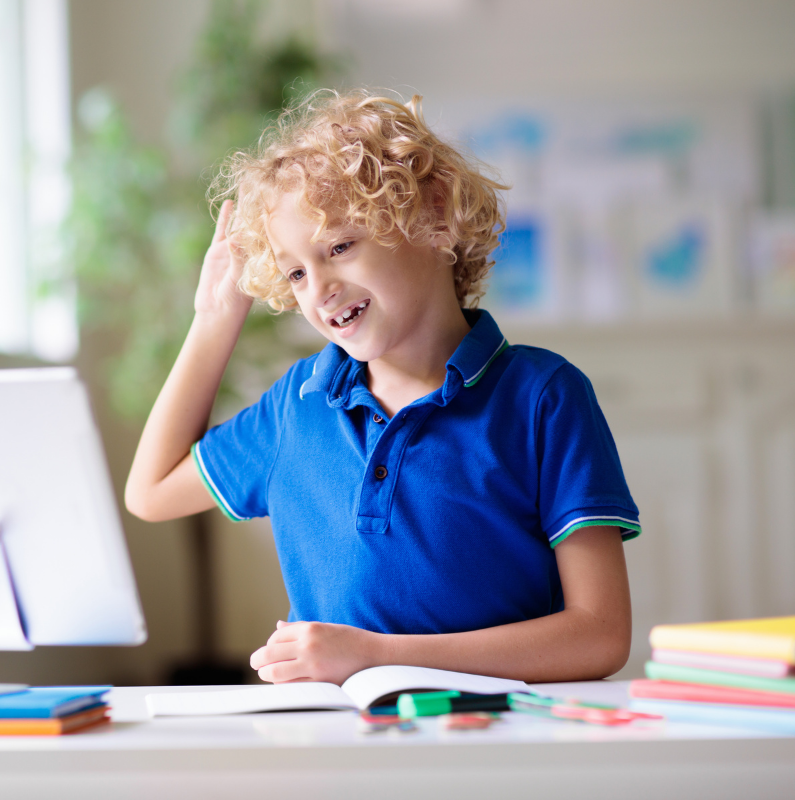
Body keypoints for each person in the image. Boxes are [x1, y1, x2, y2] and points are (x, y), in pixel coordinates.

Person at [124, 90, 638, 685]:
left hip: (491, 743)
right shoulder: (298, 405)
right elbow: (151, 491)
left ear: (434, 217)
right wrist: (213, 321)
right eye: (295, 272)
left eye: (339, 247)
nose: (317, 289)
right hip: (331, 747)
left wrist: (378, 656)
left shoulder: (544, 396)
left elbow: (600, 635)